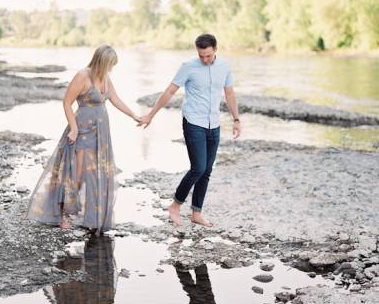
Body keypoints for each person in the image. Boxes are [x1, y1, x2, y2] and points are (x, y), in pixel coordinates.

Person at [25, 44, 141, 235]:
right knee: (76, 175)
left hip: (101, 133)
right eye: (109, 64)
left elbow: (116, 100)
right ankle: (63, 214)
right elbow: (66, 102)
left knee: (96, 173)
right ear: (101, 62)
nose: (111, 68)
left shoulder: (105, 77)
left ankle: (91, 216)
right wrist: (73, 128)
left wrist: (134, 116)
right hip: (82, 131)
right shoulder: (82, 76)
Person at [140, 33, 240, 227]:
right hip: (193, 122)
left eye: (208, 55)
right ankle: (175, 206)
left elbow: (229, 93)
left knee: (207, 170)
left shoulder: (225, 66)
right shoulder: (188, 67)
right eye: (201, 55)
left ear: (215, 50)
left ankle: (196, 213)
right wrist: (151, 114)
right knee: (198, 167)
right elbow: (170, 91)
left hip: (214, 123)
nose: (205, 59)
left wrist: (236, 119)